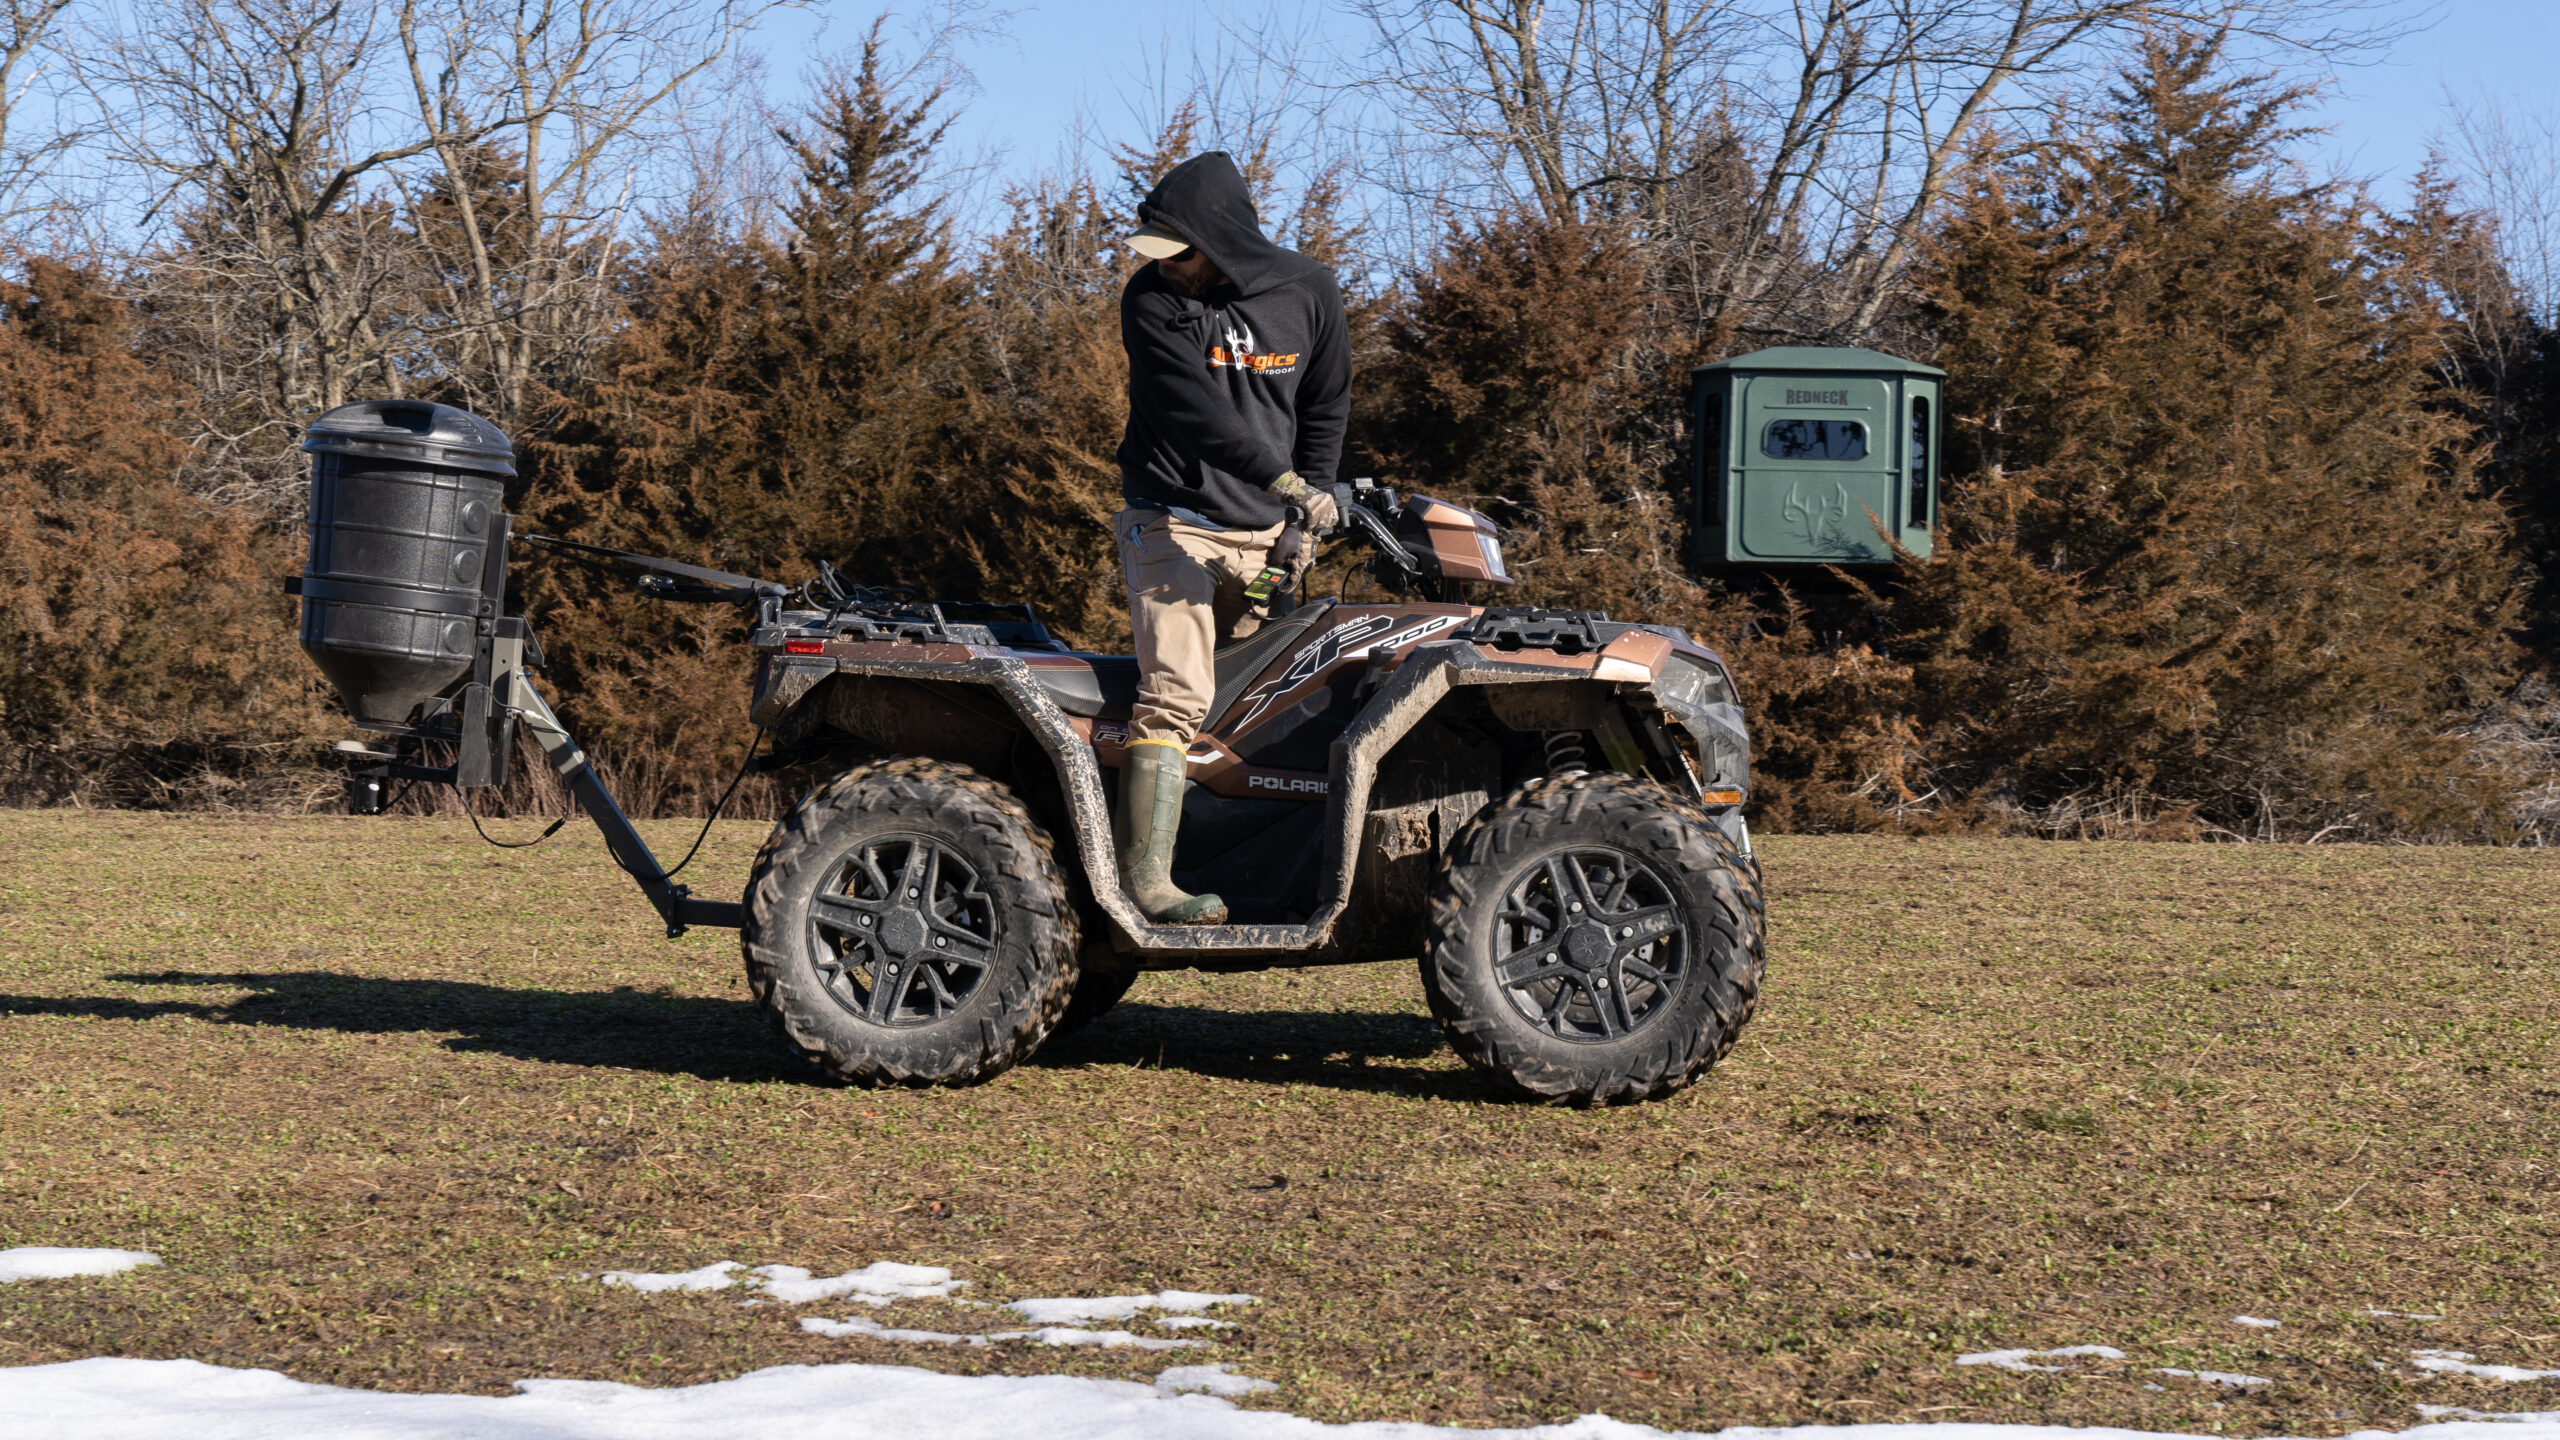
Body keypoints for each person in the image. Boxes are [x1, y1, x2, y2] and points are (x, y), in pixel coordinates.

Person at [1112, 151, 1351, 926]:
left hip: (1261, 538)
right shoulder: (1150, 300)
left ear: (1220, 238)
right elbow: (1191, 411)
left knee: (1248, 707)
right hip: (1170, 518)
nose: (1166, 267)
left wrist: (1300, 526)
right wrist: (1286, 485)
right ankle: (1144, 884)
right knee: (1178, 692)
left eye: (1178, 251)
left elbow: (1324, 410)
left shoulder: (1307, 291)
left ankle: (1233, 870)